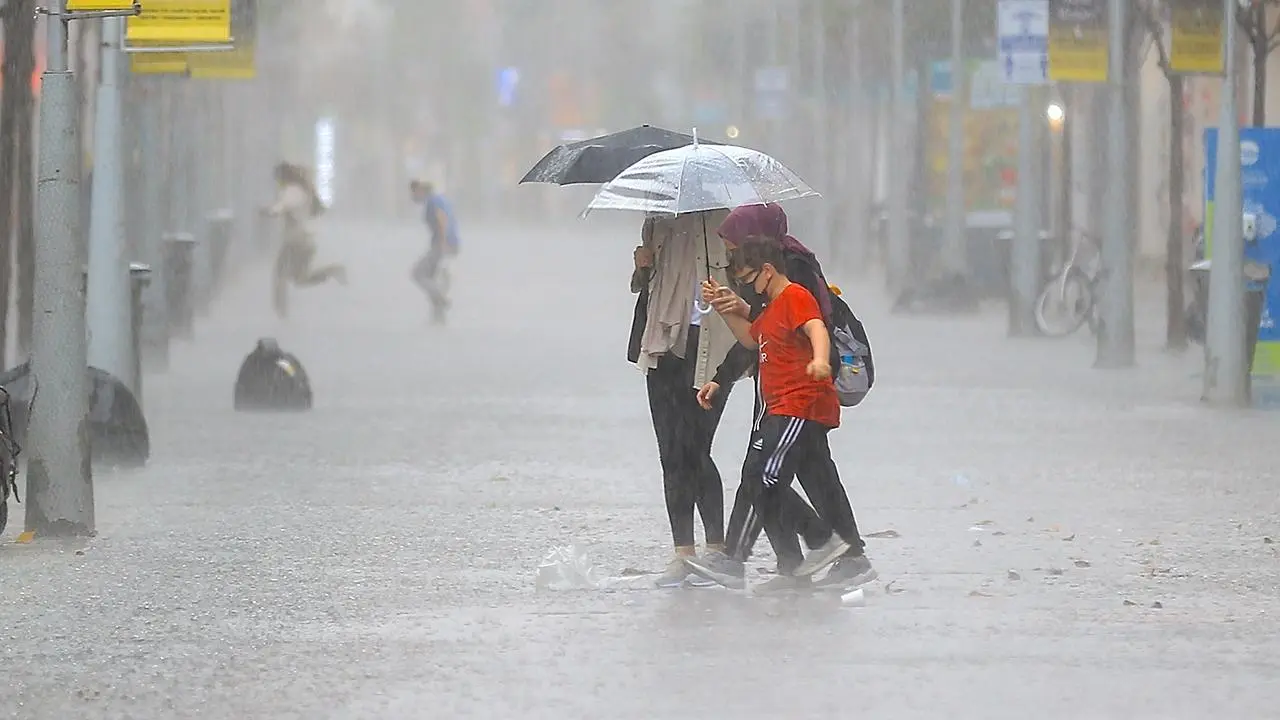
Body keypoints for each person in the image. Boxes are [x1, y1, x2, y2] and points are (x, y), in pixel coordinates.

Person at [689, 204, 875, 591]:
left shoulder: (793, 275)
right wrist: (730, 318)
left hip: (798, 392)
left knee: (762, 475)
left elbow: (808, 325)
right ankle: (823, 560)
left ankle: (774, 554)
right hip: (782, 389)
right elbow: (757, 334)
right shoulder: (767, 280)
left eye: (737, 250)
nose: (733, 260)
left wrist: (820, 361)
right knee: (810, 474)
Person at [629, 210, 737, 588]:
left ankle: (717, 549)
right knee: (670, 453)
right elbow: (645, 285)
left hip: (712, 346)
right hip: (661, 345)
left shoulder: (726, 222)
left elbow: (748, 284)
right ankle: (683, 553)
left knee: (696, 449)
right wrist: (642, 265)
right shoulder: (657, 219)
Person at [260, 162, 346, 318]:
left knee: (281, 273)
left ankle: (281, 310)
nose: (277, 182)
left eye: (278, 178)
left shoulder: (293, 190)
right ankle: (332, 271)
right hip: (303, 240)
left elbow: (283, 206)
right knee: (299, 279)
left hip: (296, 240)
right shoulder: (299, 189)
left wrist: (268, 211)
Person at [409, 180, 461, 324]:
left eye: (413, 193)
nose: (412, 197)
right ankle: (437, 316)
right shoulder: (438, 199)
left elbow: (442, 219)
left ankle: (440, 299)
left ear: (419, 190)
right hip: (449, 244)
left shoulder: (433, 201)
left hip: (443, 245)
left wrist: (443, 243)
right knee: (435, 277)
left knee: (418, 273)